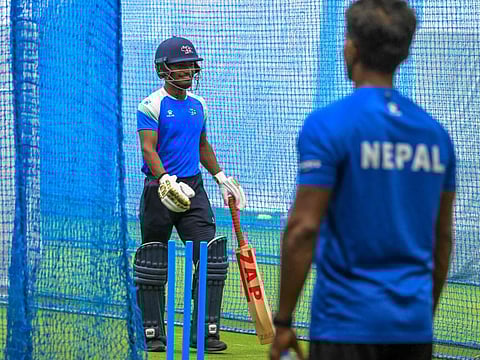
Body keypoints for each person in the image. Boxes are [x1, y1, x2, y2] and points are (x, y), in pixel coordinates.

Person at [270, 1, 456, 359]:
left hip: (344, 326)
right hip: (413, 330)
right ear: (401, 52)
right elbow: (442, 239)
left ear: (352, 47)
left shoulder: (329, 124)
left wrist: (284, 321)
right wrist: (418, 317)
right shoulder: (436, 136)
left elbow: (302, 229)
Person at [133, 36, 246, 353]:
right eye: (179, 65)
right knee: (153, 260)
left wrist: (221, 177)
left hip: (193, 189)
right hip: (160, 190)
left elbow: (201, 145)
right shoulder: (151, 105)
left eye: (190, 65)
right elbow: (148, 149)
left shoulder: (199, 106)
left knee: (211, 258)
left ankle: (205, 333)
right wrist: (164, 179)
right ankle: (153, 332)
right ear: (163, 69)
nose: (187, 70)